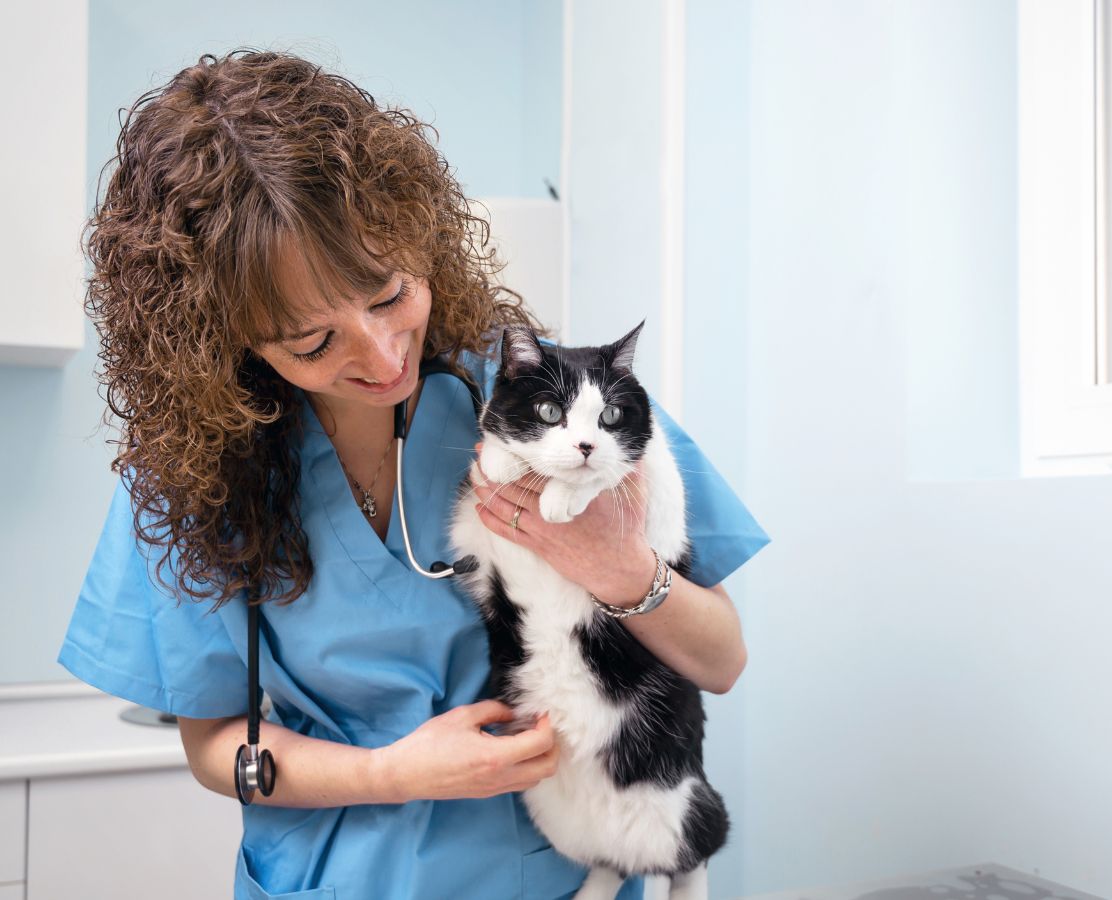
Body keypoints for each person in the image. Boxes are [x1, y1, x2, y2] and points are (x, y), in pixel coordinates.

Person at [57, 49, 769, 900]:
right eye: (313, 342)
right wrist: (395, 773)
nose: (381, 352)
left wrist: (624, 572)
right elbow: (216, 747)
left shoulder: (547, 409)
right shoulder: (194, 479)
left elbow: (722, 659)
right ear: (226, 347)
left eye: (390, 292)